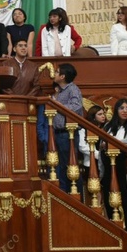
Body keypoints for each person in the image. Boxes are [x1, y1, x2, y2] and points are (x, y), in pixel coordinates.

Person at [37, 63, 84, 193]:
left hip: (67, 133)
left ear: (62, 76)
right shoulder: (62, 91)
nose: (54, 74)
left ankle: (75, 195)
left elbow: (76, 106)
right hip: (58, 133)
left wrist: (57, 104)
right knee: (61, 166)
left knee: (70, 165)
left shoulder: (72, 89)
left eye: (57, 72)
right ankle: (64, 193)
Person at [102, 98, 127, 230]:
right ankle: (112, 224)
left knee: (125, 194)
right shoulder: (108, 125)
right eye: (122, 108)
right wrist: (107, 142)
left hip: (123, 162)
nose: (125, 111)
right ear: (116, 110)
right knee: (108, 192)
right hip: (107, 163)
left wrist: (112, 142)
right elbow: (101, 141)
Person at [78, 105, 107, 179]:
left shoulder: (106, 128)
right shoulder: (84, 129)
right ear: (93, 116)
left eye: (103, 114)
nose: (103, 116)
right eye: (100, 114)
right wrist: (98, 155)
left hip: (105, 161)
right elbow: (82, 146)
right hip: (91, 161)